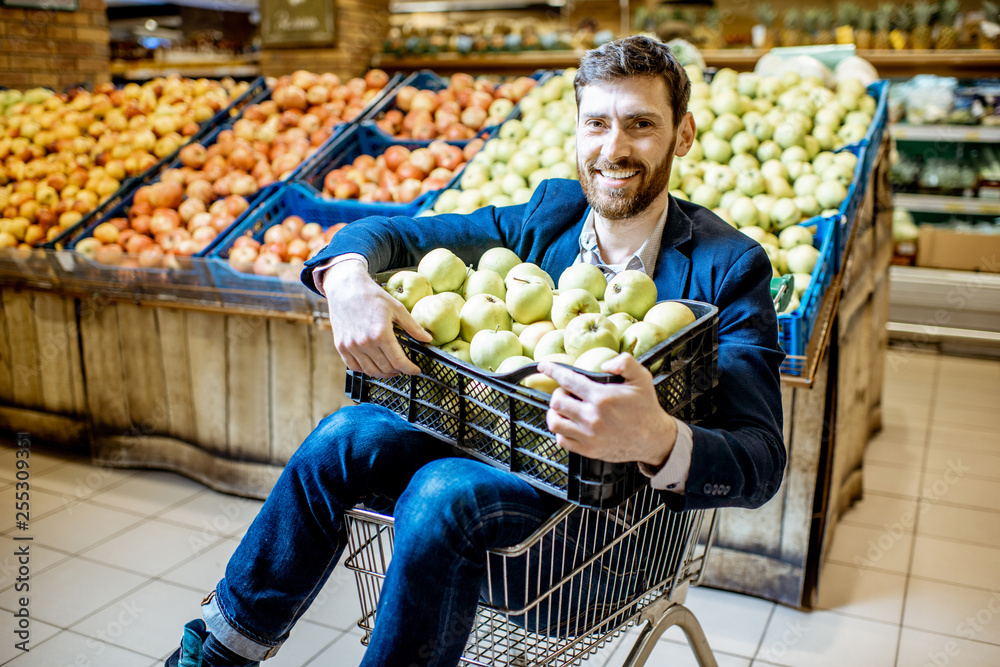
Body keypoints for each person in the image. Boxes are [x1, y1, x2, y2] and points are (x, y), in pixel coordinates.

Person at [166, 35, 786, 667]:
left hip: (604, 547)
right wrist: (346, 275)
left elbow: (761, 461)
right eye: (596, 123)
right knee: (344, 435)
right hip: (495, 485)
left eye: (641, 125)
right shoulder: (546, 217)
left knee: (443, 486)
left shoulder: (726, 267)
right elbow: (395, 234)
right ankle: (215, 655)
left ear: (682, 135)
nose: (613, 148)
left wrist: (657, 438)